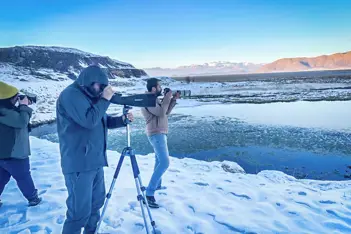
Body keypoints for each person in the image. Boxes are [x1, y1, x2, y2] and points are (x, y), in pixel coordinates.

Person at [56, 65, 134, 234]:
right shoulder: (71, 95)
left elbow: (101, 120)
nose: (102, 91)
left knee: (95, 205)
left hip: (95, 160)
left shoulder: (91, 97)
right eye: (101, 87)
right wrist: (105, 100)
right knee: (78, 213)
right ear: (90, 82)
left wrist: (122, 120)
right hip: (79, 163)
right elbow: (89, 121)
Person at [0, 81, 42, 207]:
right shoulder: (5, 112)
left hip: (4, 154)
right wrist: (24, 106)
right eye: (14, 97)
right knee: (23, 177)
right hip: (15, 154)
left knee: (1, 178)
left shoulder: (5, 111)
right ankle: (33, 198)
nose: (16, 99)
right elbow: (21, 122)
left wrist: (21, 106)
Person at [141, 78, 180, 208]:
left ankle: (156, 185)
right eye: (159, 86)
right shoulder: (148, 100)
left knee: (159, 161)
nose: (160, 88)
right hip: (156, 133)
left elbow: (165, 113)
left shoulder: (154, 99)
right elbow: (161, 112)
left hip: (160, 132)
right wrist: (167, 97)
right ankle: (149, 194)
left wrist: (172, 100)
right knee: (164, 162)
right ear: (153, 88)